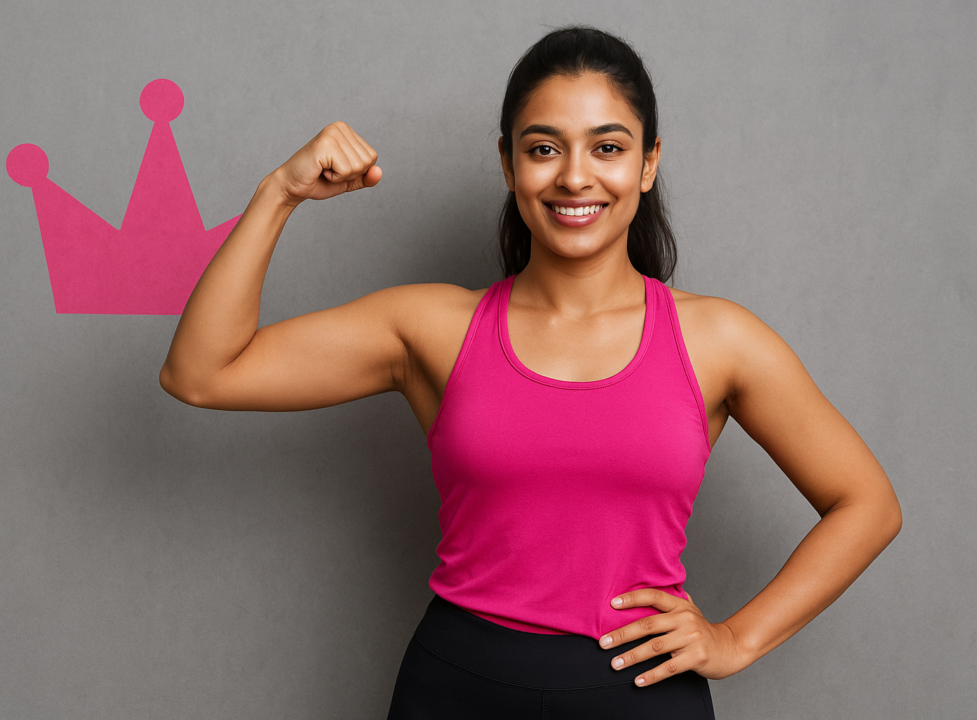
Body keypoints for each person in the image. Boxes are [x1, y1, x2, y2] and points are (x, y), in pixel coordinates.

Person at [160, 26, 902, 720]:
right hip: (457, 689)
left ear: (648, 164)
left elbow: (866, 504)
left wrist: (736, 639)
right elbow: (201, 372)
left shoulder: (719, 340)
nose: (575, 177)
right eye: (544, 149)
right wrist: (279, 193)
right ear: (508, 162)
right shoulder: (433, 328)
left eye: (607, 148)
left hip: (641, 698)